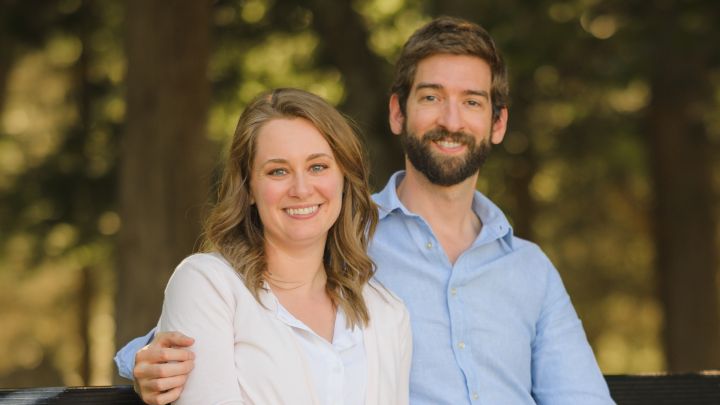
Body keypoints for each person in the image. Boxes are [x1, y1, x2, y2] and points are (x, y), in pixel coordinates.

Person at [116, 17, 615, 405]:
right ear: (398, 112)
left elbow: (582, 397)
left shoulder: (529, 269)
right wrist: (146, 359)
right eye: (431, 97)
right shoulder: (341, 233)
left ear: (498, 123)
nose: (450, 119)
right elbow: (234, 304)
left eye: (472, 102)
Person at [135, 87, 412, 405]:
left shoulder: (387, 313)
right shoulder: (209, 286)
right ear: (249, 188)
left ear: (344, 178)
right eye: (278, 171)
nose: (301, 189)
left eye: (318, 167)